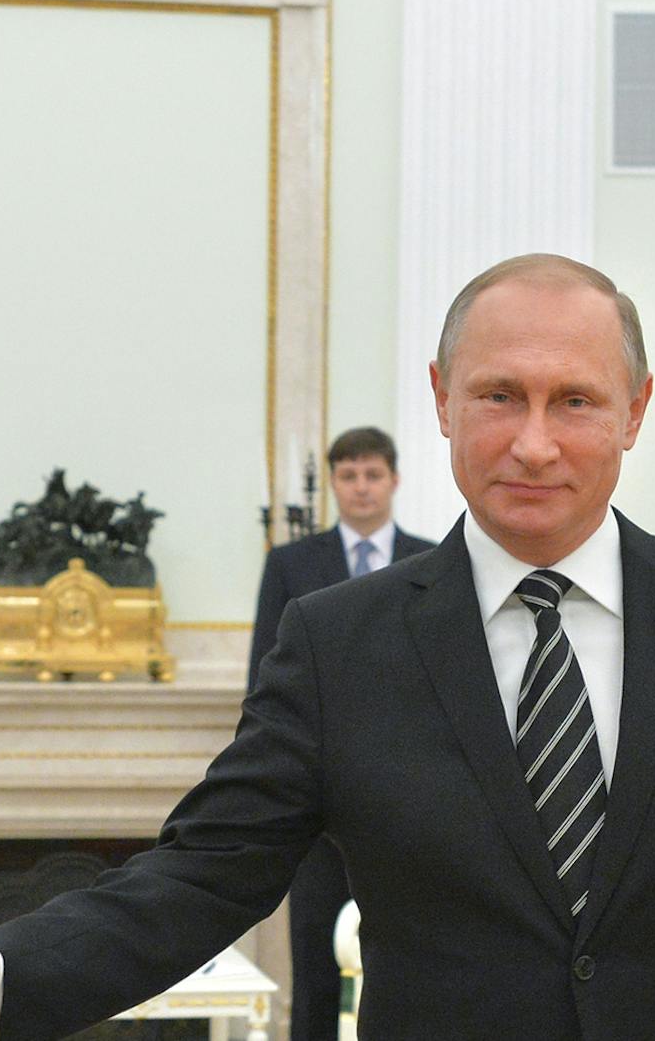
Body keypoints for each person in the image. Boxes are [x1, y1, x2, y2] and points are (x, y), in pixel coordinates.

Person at [0, 253, 655, 1039]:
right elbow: (202, 876)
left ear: (635, 411)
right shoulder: (339, 642)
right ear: (442, 400)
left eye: (576, 401)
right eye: (499, 395)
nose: (533, 441)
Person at [246, 425, 433, 1040]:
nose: (361, 487)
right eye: (348, 476)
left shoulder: (434, 560)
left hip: (412, 793)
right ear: (333, 483)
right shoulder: (291, 563)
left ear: (394, 480)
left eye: (372, 474)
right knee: (314, 963)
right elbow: (266, 677)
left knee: (410, 965)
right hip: (317, 793)